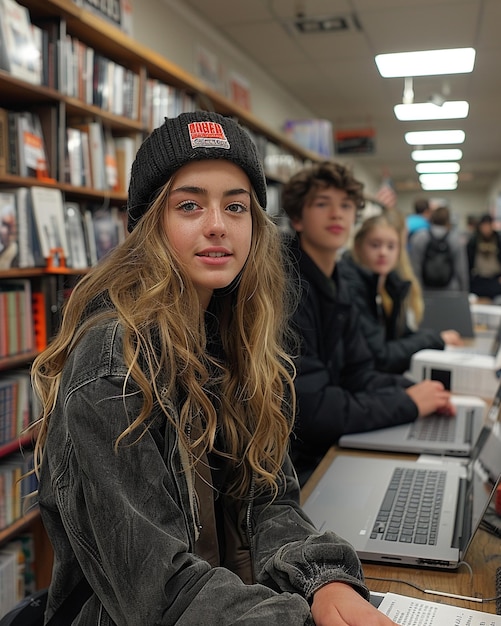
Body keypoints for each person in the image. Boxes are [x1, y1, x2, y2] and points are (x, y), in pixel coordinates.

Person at [31, 112, 396, 626]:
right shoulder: (112, 359)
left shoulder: (235, 340)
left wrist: (324, 581)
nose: (218, 224)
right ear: (150, 223)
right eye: (189, 205)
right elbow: (158, 591)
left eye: (235, 206)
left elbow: (269, 498)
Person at [281, 161, 454, 485]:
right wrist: (407, 403)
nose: (337, 214)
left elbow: (358, 372)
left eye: (345, 205)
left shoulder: (339, 283)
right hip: (293, 469)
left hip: (327, 448)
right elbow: (313, 410)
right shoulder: (285, 286)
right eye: (322, 204)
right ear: (297, 218)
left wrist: (415, 391)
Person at [342, 211, 463, 374]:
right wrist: (435, 339)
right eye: (375, 245)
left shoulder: (389, 286)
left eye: (391, 246)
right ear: (359, 247)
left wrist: (437, 337)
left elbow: (400, 337)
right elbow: (382, 356)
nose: (383, 252)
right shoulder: (352, 287)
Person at [409, 204, 469, 291]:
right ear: (448, 220)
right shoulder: (455, 239)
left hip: (425, 290)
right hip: (450, 291)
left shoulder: (419, 237)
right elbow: (461, 270)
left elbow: (415, 267)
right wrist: (464, 293)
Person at [467, 213, 501, 299]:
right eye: (484, 226)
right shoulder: (474, 241)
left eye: (488, 226)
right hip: (479, 279)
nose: (486, 229)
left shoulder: (498, 240)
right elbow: (468, 261)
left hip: (496, 279)